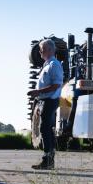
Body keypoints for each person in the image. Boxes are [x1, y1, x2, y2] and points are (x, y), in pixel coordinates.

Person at [27, 39, 63, 169]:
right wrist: (38, 99)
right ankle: (48, 160)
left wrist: (38, 92)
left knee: (45, 129)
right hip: (44, 100)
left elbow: (56, 85)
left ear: (49, 50)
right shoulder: (47, 65)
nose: (39, 51)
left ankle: (47, 160)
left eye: (41, 49)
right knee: (46, 129)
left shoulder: (54, 65)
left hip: (50, 100)